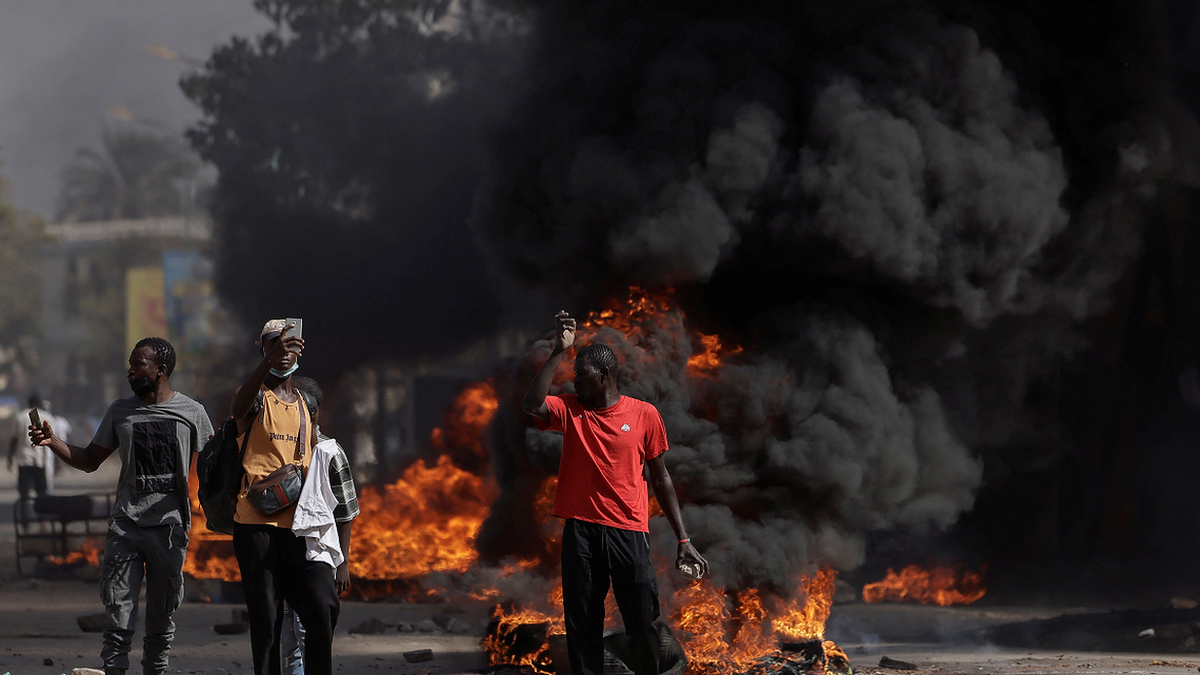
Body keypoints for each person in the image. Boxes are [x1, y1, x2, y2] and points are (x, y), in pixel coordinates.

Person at [522, 311, 710, 675]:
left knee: (641, 621)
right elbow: (532, 404)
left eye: (582, 374)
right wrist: (559, 352)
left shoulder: (644, 415)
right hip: (581, 533)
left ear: (605, 375)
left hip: (629, 532)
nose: (575, 381)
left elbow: (661, 479)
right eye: (574, 374)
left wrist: (683, 538)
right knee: (582, 625)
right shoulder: (569, 409)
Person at [29, 337, 214, 675]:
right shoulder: (120, 411)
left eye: (138, 364)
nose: (130, 371)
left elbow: (214, 468)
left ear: (160, 370)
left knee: (161, 622)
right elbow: (89, 460)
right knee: (118, 619)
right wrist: (51, 441)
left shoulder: (192, 413)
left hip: (169, 532)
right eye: (130, 364)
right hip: (125, 529)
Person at [230, 319, 339, 675]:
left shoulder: (307, 403)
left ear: (298, 351)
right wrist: (266, 364)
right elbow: (238, 409)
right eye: (273, 346)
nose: (282, 353)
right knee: (267, 620)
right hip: (256, 525)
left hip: (299, 526)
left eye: (288, 346)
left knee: (322, 605)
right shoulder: (256, 397)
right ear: (262, 350)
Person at [280, 375, 359, 675]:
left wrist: (343, 563)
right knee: (288, 632)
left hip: (317, 556)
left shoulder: (329, 452)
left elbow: (346, 512)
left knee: (308, 627)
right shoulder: (277, 448)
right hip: (282, 549)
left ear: (315, 411)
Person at [8, 391, 70, 499]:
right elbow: (52, 441)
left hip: (24, 459)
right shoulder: (47, 417)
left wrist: (10, 457)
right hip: (40, 460)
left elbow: (14, 439)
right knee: (41, 492)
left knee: (24, 492)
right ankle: (40, 514)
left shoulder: (20, 417)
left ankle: (24, 513)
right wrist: (57, 461)